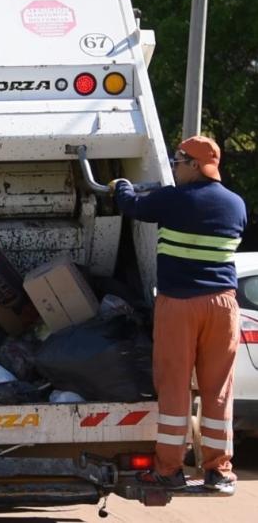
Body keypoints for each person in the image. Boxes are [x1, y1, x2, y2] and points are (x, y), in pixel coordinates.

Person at [109, 136, 247, 494]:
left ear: (194, 166)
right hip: (223, 306)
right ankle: (219, 471)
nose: (173, 167)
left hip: (180, 305)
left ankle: (170, 470)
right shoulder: (236, 205)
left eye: (178, 161)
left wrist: (121, 184)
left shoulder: (172, 200)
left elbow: (131, 206)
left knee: (174, 386)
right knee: (218, 390)